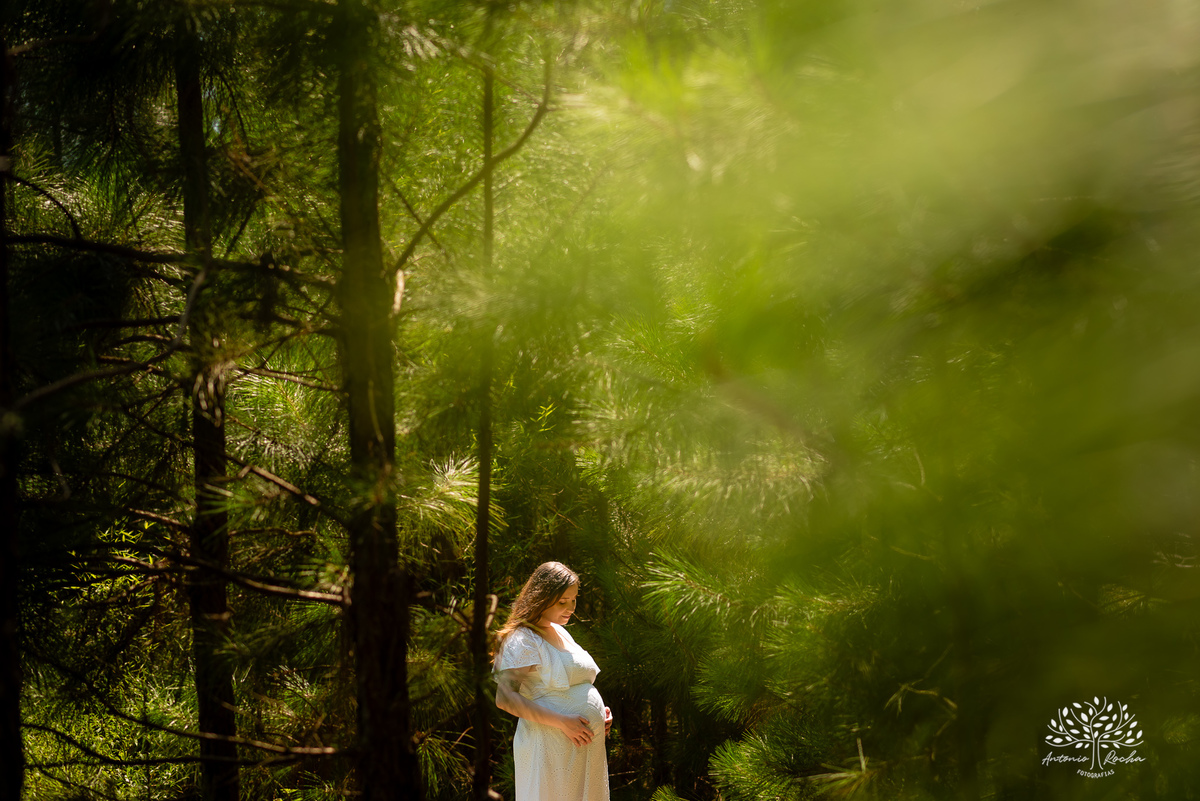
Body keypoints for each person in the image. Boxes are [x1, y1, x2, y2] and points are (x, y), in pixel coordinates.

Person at [493, 561, 612, 801]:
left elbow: (577, 685)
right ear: (541, 598)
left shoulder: (561, 632)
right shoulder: (522, 638)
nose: (571, 608)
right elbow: (505, 698)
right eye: (562, 602)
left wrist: (600, 714)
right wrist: (563, 722)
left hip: (583, 747)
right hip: (549, 747)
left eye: (574, 600)